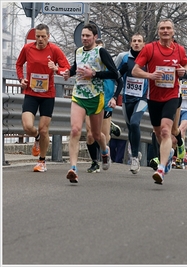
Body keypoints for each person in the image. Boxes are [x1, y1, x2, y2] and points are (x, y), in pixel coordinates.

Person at [132, 18, 187, 184]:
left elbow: (186, 64)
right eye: (162, 28)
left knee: (166, 131)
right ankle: (168, 155)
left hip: (171, 96)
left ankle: (162, 168)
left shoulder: (179, 49)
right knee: (158, 133)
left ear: (173, 32)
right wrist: (149, 75)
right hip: (154, 97)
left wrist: (182, 71)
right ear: (159, 31)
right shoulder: (150, 48)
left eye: (168, 28)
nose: (165, 31)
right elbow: (135, 70)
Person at [63, 23, 119, 183]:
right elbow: (76, 66)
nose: (85, 38)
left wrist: (93, 73)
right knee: (74, 130)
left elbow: (114, 73)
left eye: (88, 36)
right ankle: (73, 168)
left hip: (96, 97)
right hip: (79, 95)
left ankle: (104, 150)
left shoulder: (100, 51)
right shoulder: (78, 51)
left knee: (95, 135)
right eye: (83, 35)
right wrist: (69, 72)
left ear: (95, 37)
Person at [16, 23, 70, 173]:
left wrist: (56, 69)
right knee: (27, 127)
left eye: (43, 36)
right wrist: (21, 79)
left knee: (44, 129)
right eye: (37, 36)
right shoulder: (28, 49)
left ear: (48, 36)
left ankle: (42, 161)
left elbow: (67, 69)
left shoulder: (54, 50)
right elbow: (19, 64)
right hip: (31, 93)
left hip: (47, 95)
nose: (40, 39)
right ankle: (37, 136)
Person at [85, 39, 123, 173]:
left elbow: (120, 81)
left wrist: (114, 98)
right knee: (90, 135)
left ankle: (106, 146)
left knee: (103, 137)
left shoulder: (109, 66)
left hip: (105, 104)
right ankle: (94, 162)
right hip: (90, 101)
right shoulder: (89, 65)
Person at [117, 33, 148, 174]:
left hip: (142, 97)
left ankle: (134, 157)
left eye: (139, 41)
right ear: (130, 43)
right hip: (127, 97)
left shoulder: (148, 58)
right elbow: (115, 74)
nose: (136, 43)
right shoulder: (123, 57)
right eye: (134, 41)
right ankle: (135, 151)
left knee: (135, 123)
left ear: (143, 43)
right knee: (130, 127)